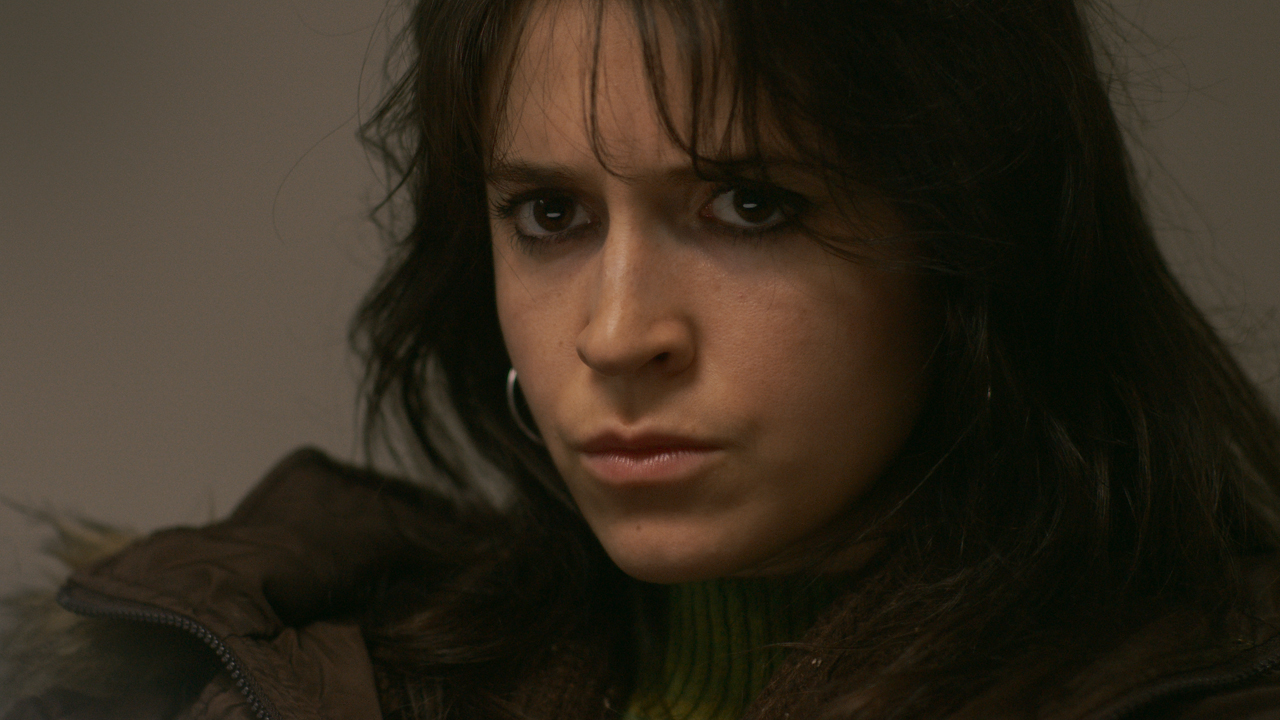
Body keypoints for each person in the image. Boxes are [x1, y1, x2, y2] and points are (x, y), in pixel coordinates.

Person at [5, 0, 1280, 718]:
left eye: (749, 206)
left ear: (970, 244)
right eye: (549, 215)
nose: (615, 334)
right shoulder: (308, 675)